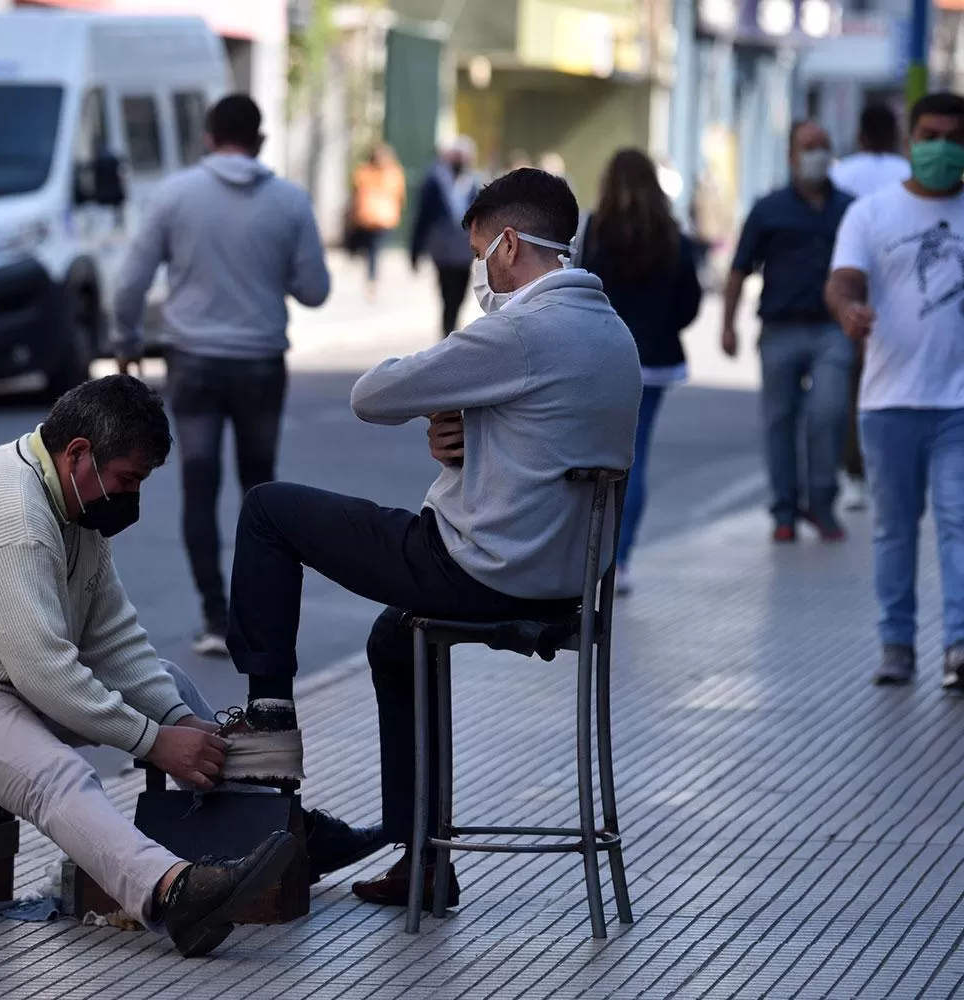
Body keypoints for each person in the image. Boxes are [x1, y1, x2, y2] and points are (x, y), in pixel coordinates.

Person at [213, 169, 641, 908]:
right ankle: (424, 861)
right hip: (566, 578)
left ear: (508, 244)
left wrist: (443, 405)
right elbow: (551, 444)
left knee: (267, 511)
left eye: (481, 253)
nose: (480, 271)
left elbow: (373, 394)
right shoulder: (609, 330)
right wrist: (470, 433)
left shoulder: (522, 329)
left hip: (480, 568)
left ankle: (268, 729)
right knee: (391, 639)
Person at [0, 376, 381, 957]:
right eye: (128, 479)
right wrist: (155, 741)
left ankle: (281, 830)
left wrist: (180, 721)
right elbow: (47, 674)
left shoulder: (71, 505)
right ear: (78, 453)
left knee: (171, 684)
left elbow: (113, 642)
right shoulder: (13, 523)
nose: (133, 496)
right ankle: (172, 894)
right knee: (54, 775)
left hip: (3, 680)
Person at [113, 95, 330, 658]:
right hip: (260, 361)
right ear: (258, 139)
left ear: (209, 137)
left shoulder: (174, 195)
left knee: (198, 484)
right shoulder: (289, 201)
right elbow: (315, 290)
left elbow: (130, 281)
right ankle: (256, 616)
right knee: (261, 491)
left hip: (194, 363)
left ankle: (214, 615)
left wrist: (126, 339)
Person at [825, 91, 964, 692]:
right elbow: (842, 280)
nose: (938, 146)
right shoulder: (871, 214)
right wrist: (848, 310)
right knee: (894, 527)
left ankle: (962, 647)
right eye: (928, 134)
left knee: (960, 519)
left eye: (951, 137)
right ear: (911, 140)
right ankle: (897, 645)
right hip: (888, 403)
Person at [722, 121, 854, 543]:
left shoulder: (850, 208)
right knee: (779, 421)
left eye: (823, 145)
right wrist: (727, 325)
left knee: (828, 412)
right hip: (779, 330)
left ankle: (821, 504)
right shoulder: (769, 208)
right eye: (807, 146)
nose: (816, 152)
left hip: (833, 331)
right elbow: (740, 268)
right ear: (791, 156)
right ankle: (784, 511)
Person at [579, 149, 702, 592]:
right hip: (653, 362)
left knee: (592, 458)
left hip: (599, 360)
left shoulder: (594, 231)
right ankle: (622, 559)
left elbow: (579, 290)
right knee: (636, 458)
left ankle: (587, 557)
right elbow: (689, 301)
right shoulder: (671, 234)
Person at [830, 105, 913, 510]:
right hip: (899, 297)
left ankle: (855, 470)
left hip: (848, 293)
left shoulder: (840, 175)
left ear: (860, 136)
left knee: (854, 385)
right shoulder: (906, 175)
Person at [410, 137, 482, 339]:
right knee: (446, 291)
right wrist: (415, 250)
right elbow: (422, 217)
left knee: (460, 291)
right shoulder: (435, 181)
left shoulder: (473, 182)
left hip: (465, 249)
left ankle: (451, 324)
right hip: (442, 248)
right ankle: (447, 329)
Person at [350, 143, 406, 300]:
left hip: (371, 217)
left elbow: (356, 192)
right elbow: (401, 197)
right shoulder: (393, 173)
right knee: (374, 250)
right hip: (380, 218)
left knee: (372, 250)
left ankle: (371, 278)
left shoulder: (365, 172)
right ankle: (372, 278)